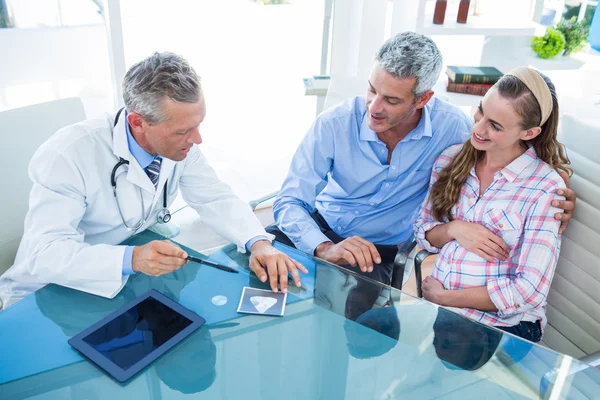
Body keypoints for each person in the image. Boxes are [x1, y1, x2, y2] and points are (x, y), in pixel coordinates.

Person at [0, 52, 306, 308]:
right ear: (138, 122)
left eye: (198, 125)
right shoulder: (67, 155)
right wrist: (130, 258)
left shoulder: (181, 145)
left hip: (126, 277)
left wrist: (259, 243)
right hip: (52, 290)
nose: (196, 139)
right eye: (182, 131)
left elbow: (215, 197)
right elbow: (45, 254)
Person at [269, 32, 575, 287]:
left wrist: (559, 193)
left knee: (360, 334)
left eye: (391, 100)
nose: (374, 107)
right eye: (372, 90)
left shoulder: (453, 129)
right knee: (257, 264)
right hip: (320, 229)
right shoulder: (334, 124)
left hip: (378, 253)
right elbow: (290, 201)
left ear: (423, 99)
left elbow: (510, 145)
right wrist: (323, 247)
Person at [414, 67, 569, 342]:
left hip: (502, 323)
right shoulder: (450, 160)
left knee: (445, 359)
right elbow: (424, 232)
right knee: (369, 326)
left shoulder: (545, 188)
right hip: (443, 311)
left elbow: (528, 290)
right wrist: (455, 229)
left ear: (530, 132)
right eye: (480, 111)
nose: (478, 128)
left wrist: (445, 297)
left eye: (495, 126)